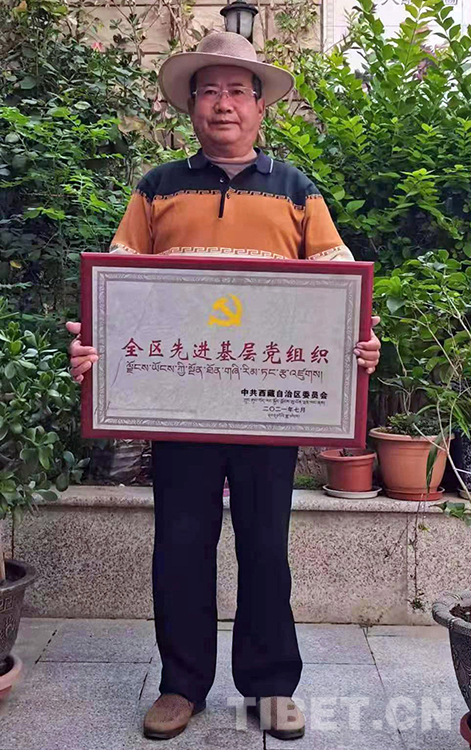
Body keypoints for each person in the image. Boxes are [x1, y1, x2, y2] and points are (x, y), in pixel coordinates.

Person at [66, 31, 381, 742]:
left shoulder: (296, 189)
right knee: (180, 543)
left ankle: (270, 686)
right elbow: (116, 287)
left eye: (238, 90)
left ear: (260, 106)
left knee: (265, 545)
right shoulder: (156, 187)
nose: (223, 103)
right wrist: (93, 345)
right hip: (181, 404)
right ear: (191, 106)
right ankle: (181, 685)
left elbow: (340, 287)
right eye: (208, 90)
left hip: (268, 408)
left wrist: (362, 340)